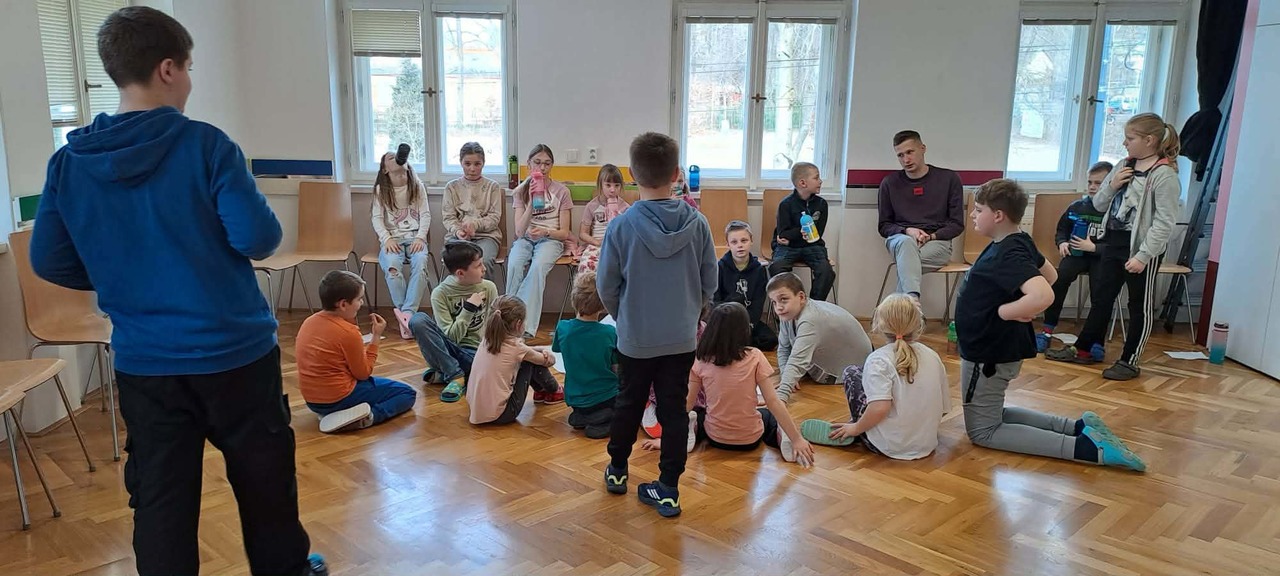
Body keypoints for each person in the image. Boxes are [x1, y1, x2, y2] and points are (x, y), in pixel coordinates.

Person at [28, 7, 327, 575]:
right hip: (236, 356)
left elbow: (50, 260)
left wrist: (126, 275)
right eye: (188, 68)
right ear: (167, 69)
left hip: (145, 364)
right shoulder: (207, 146)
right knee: (266, 488)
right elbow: (258, 238)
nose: (189, 81)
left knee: (161, 501)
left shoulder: (68, 163)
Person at [955, 179, 1145, 471]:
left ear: (998, 215)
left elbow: (1044, 294)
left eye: (978, 209)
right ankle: (1077, 428)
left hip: (988, 353)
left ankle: (1086, 449)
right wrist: (1019, 307)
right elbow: (1052, 276)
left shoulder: (1008, 252)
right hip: (994, 350)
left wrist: (1004, 312)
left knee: (984, 431)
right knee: (994, 414)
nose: (972, 215)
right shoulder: (1019, 239)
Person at [598, 132, 717, 518]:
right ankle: (668, 489)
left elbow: (606, 286)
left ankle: (618, 470)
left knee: (628, 403)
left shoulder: (620, 227)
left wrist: (625, 318)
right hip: (681, 338)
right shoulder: (698, 224)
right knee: (673, 409)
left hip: (636, 337)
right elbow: (710, 283)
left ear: (632, 175)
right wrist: (691, 315)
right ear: (677, 174)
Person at [1047, 114, 1184, 381]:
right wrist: (1111, 185)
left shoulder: (1164, 175)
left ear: (1149, 140)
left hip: (1141, 248)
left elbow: (1164, 223)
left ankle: (1129, 360)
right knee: (1102, 298)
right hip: (1113, 241)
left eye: (1130, 138)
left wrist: (1143, 256)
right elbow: (1098, 205)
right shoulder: (1124, 165)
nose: (1124, 143)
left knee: (1138, 305)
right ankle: (1084, 349)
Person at [640, 303, 815, 467]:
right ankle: (782, 436)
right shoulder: (755, 356)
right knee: (769, 416)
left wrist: (666, 440)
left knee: (699, 414)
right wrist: (797, 439)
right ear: (744, 329)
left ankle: (690, 430)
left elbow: (686, 404)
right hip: (750, 440)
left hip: (715, 438)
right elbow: (773, 402)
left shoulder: (700, 360)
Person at [800, 294, 950, 460]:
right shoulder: (932, 355)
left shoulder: (878, 359)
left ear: (879, 324)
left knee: (852, 373)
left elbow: (880, 408)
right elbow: (944, 408)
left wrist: (856, 429)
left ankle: (858, 427)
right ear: (918, 323)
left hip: (888, 446)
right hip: (927, 443)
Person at [297, 271, 417, 433]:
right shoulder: (348, 332)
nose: (361, 303)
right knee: (407, 393)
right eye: (359, 299)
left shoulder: (308, 322)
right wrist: (376, 336)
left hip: (313, 402)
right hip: (339, 398)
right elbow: (363, 374)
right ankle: (369, 417)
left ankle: (332, 413)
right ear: (343, 304)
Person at [1037, 161, 1113, 355]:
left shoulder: (1115, 210)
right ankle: (1046, 331)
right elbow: (1062, 230)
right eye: (1090, 182)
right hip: (1077, 255)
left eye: (1098, 183)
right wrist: (1062, 243)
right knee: (1059, 279)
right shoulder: (1078, 206)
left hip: (1101, 258)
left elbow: (1118, 245)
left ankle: (1097, 341)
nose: (1093, 187)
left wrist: (1094, 247)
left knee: (1101, 292)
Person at [878, 130, 965, 299]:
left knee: (907, 263)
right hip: (900, 239)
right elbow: (884, 226)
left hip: (937, 242)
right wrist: (907, 231)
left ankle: (907, 305)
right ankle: (912, 302)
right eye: (900, 155)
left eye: (910, 152)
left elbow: (956, 224)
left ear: (923, 148)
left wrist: (931, 237)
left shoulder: (949, 178)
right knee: (906, 246)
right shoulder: (889, 183)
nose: (906, 160)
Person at [410, 241, 498, 403]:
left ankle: (447, 374)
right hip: (445, 352)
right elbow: (452, 338)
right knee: (417, 320)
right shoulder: (440, 293)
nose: (484, 269)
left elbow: (495, 327)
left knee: (493, 366)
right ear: (460, 273)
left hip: (475, 353)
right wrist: (469, 309)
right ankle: (456, 376)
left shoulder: (489, 287)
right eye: (478, 266)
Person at [767, 273, 873, 404]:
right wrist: (785, 375)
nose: (778, 307)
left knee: (797, 365)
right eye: (774, 302)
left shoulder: (810, 319)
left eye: (783, 299)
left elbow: (798, 360)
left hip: (851, 370)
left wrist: (780, 397)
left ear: (801, 297)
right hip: (838, 355)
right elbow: (784, 348)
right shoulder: (789, 312)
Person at [507, 144, 574, 337]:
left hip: (550, 240)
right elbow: (519, 231)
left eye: (547, 163)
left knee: (537, 268)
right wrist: (530, 203)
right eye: (537, 163)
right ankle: (508, 322)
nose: (542, 168)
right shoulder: (520, 191)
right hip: (525, 239)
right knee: (514, 265)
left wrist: (545, 232)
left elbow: (564, 233)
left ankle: (523, 326)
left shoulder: (562, 191)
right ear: (528, 164)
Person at [466, 296, 563, 425]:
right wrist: (548, 354)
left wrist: (539, 349)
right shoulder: (517, 348)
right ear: (518, 324)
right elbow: (548, 361)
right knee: (529, 362)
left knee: (528, 357)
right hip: (502, 415)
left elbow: (523, 351)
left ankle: (541, 391)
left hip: (477, 410)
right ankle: (554, 390)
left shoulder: (487, 339)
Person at [372, 148, 431, 340]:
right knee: (392, 267)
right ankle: (405, 317)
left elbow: (425, 215)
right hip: (392, 240)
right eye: (390, 157)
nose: (396, 157)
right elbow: (377, 218)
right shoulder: (381, 190)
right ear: (385, 169)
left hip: (415, 238)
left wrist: (420, 237)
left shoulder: (417, 186)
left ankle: (407, 315)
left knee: (420, 265)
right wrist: (386, 239)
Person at [553, 272, 620, 439]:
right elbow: (616, 367)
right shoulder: (609, 333)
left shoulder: (563, 328)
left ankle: (583, 416)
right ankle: (602, 419)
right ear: (603, 304)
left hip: (574, 398)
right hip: (605, 397)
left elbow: (559, 349)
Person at [769, 162, 835, 301]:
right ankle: (789, 305)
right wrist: (801, 232)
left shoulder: (821, 204)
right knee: (777, 267)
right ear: (802, 183)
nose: (820, 181)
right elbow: (783, 233)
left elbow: (817, 234)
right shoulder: (786, 204)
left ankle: (813, 306)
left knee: (826, 271)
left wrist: (793, 237)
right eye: (816, 178)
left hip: (812, 246)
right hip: (788, 248)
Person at [443, 141, 503, 281]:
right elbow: (448, 217)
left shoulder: (492, 187)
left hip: (487, 236)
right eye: (467, 164)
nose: (472, 169)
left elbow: (494, 217)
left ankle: (484, 294)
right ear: (461, 163)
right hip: (458, 237)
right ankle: (458, 295)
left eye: (477, 164)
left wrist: (475, 225)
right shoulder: (451, 187)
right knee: (457, 261)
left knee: (483, 261)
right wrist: (458, 231)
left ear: (483, 163)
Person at [713, 220, 778, 351]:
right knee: (716, 336)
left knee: (770, 339)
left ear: (751, 241)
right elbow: (716, 300)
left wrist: (749, 324)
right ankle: (737, 341)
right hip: (727, 319)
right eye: (734, 242)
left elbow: (758, 302)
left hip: (748, 320)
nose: (740, 246)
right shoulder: (719, 267)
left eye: (744, 240)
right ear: (728, 244)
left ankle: (736, 342)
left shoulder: (759, 270)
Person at [577, 164, 630, 273]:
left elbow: (629, 233)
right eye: (608, 185)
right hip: (597, 245)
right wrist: (596, 242)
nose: (612, 190)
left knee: (623, 267)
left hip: (617, 246)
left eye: (617, 185)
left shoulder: (625, 208)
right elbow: (583, 233)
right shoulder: (592, 206)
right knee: (587, 266)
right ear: (600, 185)